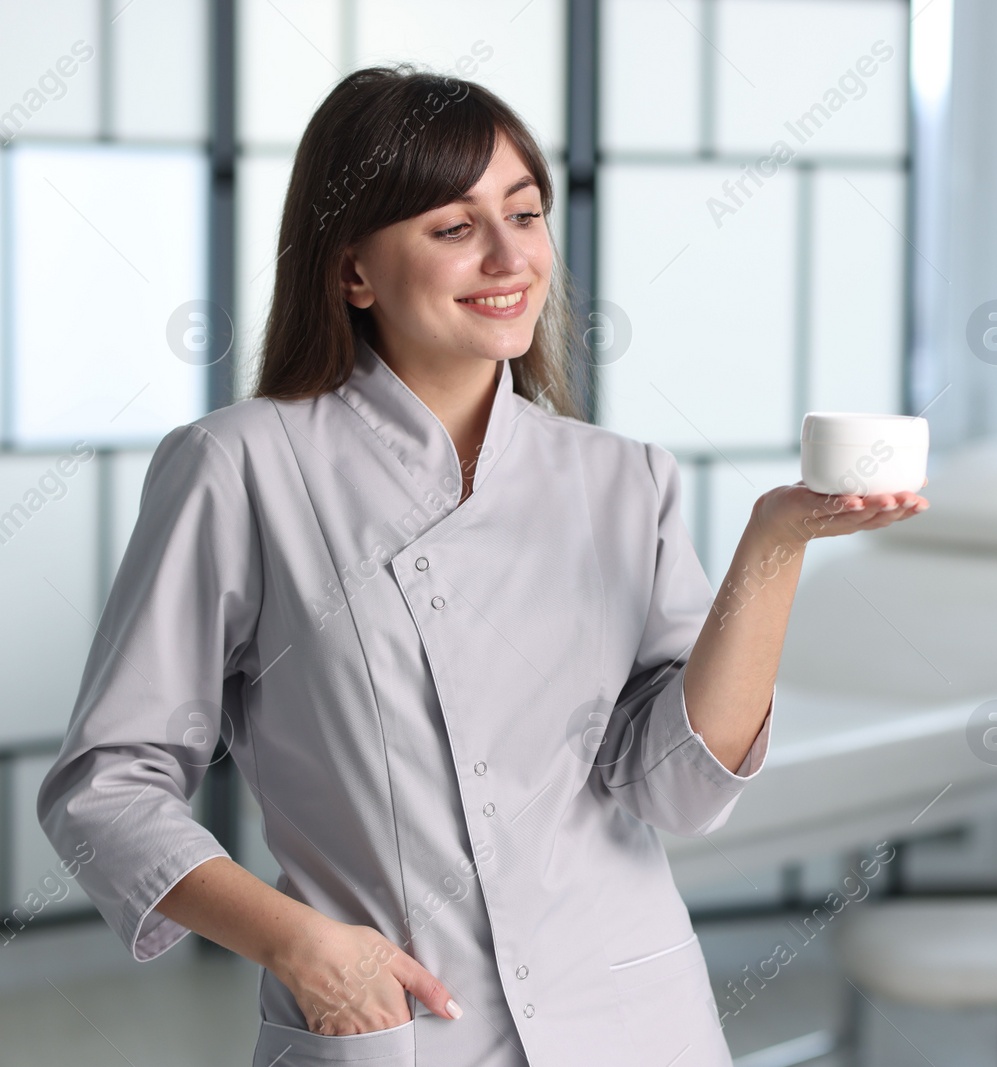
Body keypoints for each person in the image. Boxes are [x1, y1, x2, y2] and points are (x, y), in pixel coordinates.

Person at [35, 65, 927, 1067]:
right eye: (454, 228)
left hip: (634, 1021)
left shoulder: (622, 478)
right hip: (397, 1023)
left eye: (527, 213)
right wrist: (298, 942)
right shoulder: (241, 466)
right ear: (353, 270)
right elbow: (105, 785)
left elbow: (677, 789)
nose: (510, 257)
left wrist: (773, 547)